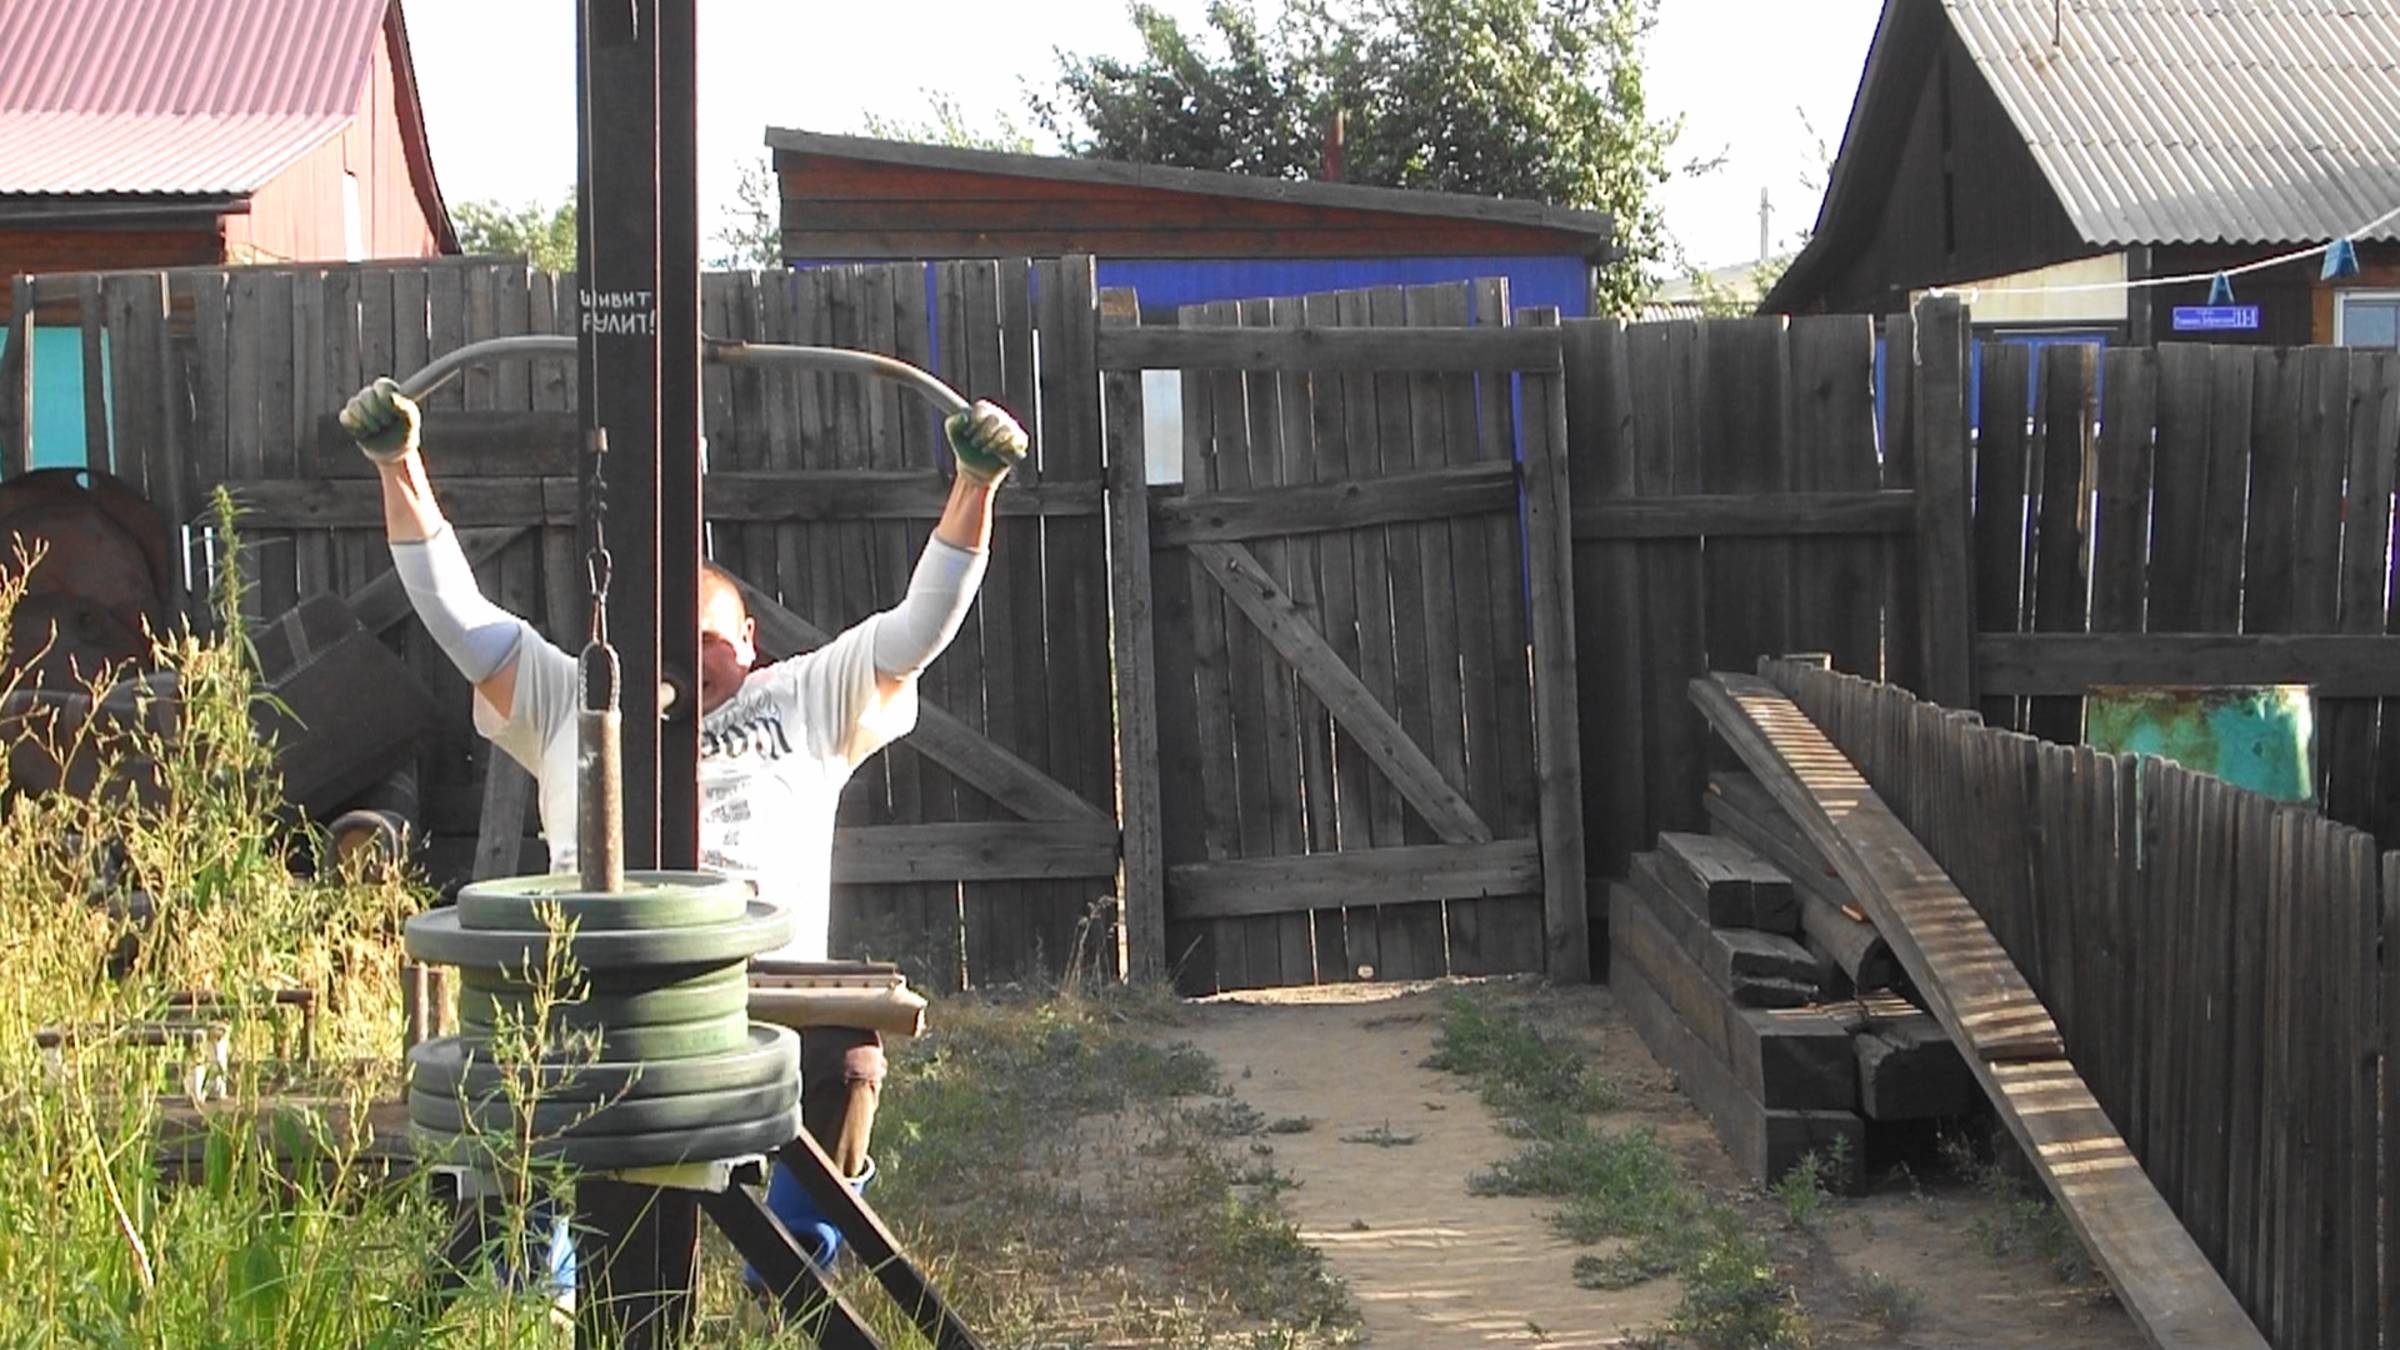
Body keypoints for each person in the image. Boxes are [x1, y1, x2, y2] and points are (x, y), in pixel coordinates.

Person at [339, 374, 1027, 1280]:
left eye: (704, 637)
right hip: (597, 993)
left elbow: (917, 629)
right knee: (515, 1077)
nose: (681, 657)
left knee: (848, 1063)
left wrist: (973, 486)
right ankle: (540, 1284)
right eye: (658, 635)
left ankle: (795, 1268)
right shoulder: (568, 698)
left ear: (749, 643)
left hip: (764, 993)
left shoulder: (809, 698)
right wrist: (400, 466)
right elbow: (460, 620)